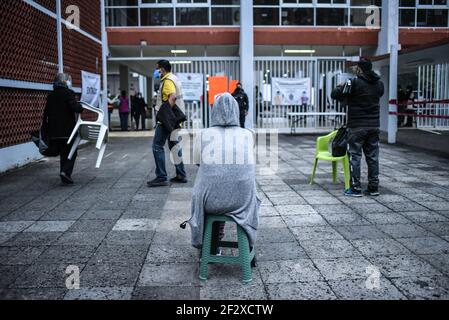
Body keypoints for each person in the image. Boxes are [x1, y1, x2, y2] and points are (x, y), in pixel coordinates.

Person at [187, 93, 260, 251]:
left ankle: (212, 244)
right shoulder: (248, 134)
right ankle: (247, 244)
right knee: (242, 187)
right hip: (243, 201)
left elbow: (197, 161)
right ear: (236, 110)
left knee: (210, 187)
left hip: (210, 201)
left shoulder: (203, 134)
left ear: (214, 111)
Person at [331, 57, 384, 197]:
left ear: (359, 69)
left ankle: (355, 188)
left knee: (355, 156)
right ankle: (373, 188)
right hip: (374, 126)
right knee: (373, 157)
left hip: (356, 126)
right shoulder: (379, 83)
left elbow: (335, 95)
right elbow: (378, 95)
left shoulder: (352, 82)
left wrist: (339, 86)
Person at [147, 60, 187, 187]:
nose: (157, 72)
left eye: (158, 69)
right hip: (173, 119)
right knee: (174, 146)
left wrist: (165, 113)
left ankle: (161, 176)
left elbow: (172, 96)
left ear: (163, 69)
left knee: (157, 146)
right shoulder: (174, 78)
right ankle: (181, 174)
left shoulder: (168, 80)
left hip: (167, 120)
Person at [42, 73, 83, 185]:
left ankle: (64, 174)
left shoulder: (51, 96)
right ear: (65, 82)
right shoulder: (68, 93)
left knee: (63, 153)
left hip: (54, 132)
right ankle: (65, 172)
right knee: (71, 152)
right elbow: (76, 108)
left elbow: (45, 114)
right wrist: (81, 107)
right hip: (67, 131)